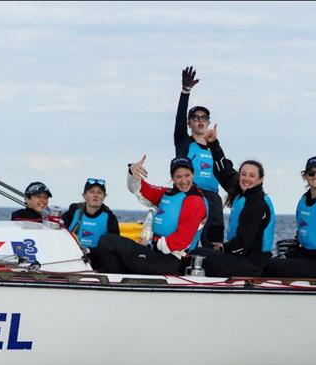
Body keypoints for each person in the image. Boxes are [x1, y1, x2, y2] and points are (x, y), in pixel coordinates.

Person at [95, 156, 207, 275]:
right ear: (172, 177)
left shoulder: (195, 200)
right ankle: (114, 280)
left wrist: (153, 243)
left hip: (172, 262)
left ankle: (112, 284)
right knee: (110, 246)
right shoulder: (167, 194)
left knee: (107, 241)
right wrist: (132, 173)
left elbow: (182, 240)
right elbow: (139, 189)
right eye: (178, 177)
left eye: (187, 175)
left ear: (193, 174)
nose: (184, 181)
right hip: (156, 255)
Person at [193, 125, 275, 277]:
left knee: (198, 255)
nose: (246, 178)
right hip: (239, 257)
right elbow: (223, 170)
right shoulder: (241, 191)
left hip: (251, 264)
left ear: (260, 179)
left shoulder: (256, 204)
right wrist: (213, 143)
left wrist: (222, 249)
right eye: (244, 174)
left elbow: (244, 244)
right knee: (199, 252)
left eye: (252, 175)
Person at [174, 66, 224, 249]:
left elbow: (225, 172)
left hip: (213, 200)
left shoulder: (215, 148)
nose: (200, 121)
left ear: (209, 122)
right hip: (190, 195)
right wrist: (185, 92)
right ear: (189, 123)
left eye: (204, 118)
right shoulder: (184, 143)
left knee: (214, 244)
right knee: (189, 243)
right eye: (195, 118)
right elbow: (179, 120)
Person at [61, 178, 120, 269]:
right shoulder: (73, 212)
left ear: (104, 196)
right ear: (84, 195)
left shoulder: (110, 218)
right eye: (91, 191)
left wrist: (89, 251)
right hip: (69, 260)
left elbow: (113, 246)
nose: (95, 195)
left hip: (97, 264)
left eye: (99, 192)